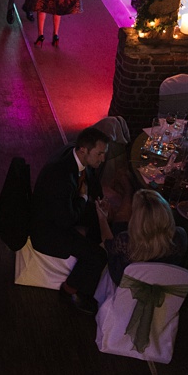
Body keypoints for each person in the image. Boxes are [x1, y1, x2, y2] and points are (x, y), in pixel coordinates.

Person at [29, 125, 112, 314]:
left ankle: (90, 253)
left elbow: (90, 177)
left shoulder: (77, 155)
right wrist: (83, 198)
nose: (102, 159)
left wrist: (99, 200)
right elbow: (65, 221)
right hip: (49, 229)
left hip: (65, 210)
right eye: (99, 154)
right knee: (97, 256)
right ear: (84, 150)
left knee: (100, 220)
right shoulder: (60, 175)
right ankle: (69, 291)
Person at [100, 189, 187, 286]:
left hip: (125, 285)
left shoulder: (125, 240)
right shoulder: (180, 235)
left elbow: (108, 244)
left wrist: (102, 218)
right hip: (161, 285)